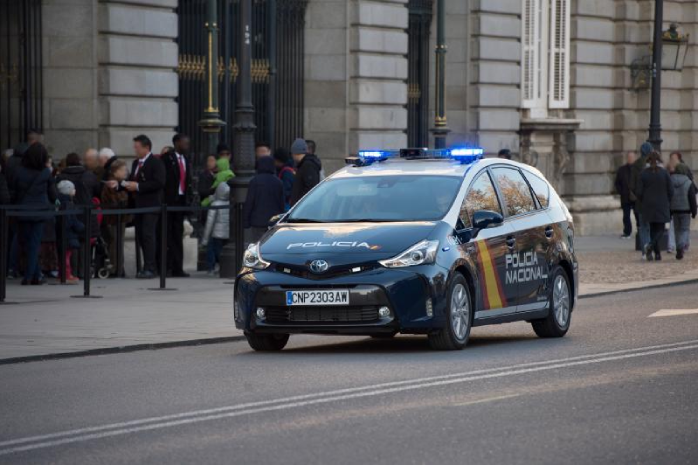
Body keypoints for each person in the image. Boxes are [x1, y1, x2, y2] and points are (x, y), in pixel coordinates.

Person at [117, 134, 165, 279]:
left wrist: (138, 186)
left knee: (148, 235)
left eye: (137, 147)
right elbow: (132, 181)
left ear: (146, 147)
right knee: (141, 236)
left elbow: (159, 182)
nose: (135, 150)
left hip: (151, 205)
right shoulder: (136, 163)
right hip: (139, 205)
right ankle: (147, 266)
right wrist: (120, 185)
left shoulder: (156, 163)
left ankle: (150, 267)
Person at [10, 143, 56, 285]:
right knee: (34, 244)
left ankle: (35, 275)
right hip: (40, 211)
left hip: (23, 210)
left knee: (27, 243)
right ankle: (31, 276)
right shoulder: (46, 172)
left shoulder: (19, 171)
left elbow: (14, 191)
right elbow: (53, 194)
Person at [162, 133, 192, 277]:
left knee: (177, 235)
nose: (187, 146)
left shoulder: (186, 159)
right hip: (168, 202)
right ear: (177, 143)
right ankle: (166, 267)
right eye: (185, 143)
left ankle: (177, 267)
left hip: (181, 200)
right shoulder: (167, 159)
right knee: (167, 235)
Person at [638, 151, 673, 261]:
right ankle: (651, 246)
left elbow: (638, 192)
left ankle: (657, 254)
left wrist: (644, 200)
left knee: (653, 229)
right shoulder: (664, 173)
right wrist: (667, 200)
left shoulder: (643, 173)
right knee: (661, 229)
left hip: (648, 205)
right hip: (662, 204)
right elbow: (671, 190)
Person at [56, 152, 100, 238]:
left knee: (69, 246)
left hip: (68, 217)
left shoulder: (61, 177)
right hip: (87, 216)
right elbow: (97, 193)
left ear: (67, 163)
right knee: (86, 245)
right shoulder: (90, 175)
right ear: (79, 161)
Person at [243, 156, 284, 244]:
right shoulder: (278, 182)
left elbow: (250, 202)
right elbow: (281, 203)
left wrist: (246, 220)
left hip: (258, 220)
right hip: (274, 221)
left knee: (258, 244)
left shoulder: (255, 181)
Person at [101, 159, 131, 277]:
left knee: (119, 243)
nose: (126, 172)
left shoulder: (121, 183)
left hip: (121, 218)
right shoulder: (111, 184)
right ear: (115, 172)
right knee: (114, 243)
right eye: (123, 170)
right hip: (112, 219)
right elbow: (116, 201)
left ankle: (119, 267)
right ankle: (115, 268)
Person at [56, 180, 85, 284]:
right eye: (73, 188)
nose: (75, 190)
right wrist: (80, 226)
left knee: (63, 255)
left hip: (63, 233)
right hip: (68, 234)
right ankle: (67, 275)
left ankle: (62, 274)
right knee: (66, 256)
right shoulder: (68, 203)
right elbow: (71, 220)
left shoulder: (59, 201)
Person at [630, 141, 654, 259]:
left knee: (643, 227)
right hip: (653, 202)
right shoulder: (654, 166)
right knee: (652, 226)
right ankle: (651, 248)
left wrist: (639, 196)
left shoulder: (635, 166)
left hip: (640, 202)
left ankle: (645, 250)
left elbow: (632, 185)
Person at [201, 182, 230, 275]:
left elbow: (210, 222)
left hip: (216, 233)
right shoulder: (230, 203)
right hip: (227, 233)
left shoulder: (215, 204)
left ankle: (211, 267)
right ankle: (221, 266)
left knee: (213, 250)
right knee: (222, 251)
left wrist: (205, 239)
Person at [670, 163, 696, 260]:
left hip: (674, 209)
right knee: (684, 229)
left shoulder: (671, 180)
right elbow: (692, 198)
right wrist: (694, 212)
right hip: (685, 209)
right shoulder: (688, 182)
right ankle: (681, 245)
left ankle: (678, 248)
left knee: (676, 230)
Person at [289, 138, 321, 206]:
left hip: (303, 208)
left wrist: (300, 203)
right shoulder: (304, 165)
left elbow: (310, 188)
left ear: (295, 153)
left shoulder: (307, 165)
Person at [614, 151, 638, 238]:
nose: (630, 159)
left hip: (636, 197)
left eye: (632, 157)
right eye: (629, 157)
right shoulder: (622, 169)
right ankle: (627, 232)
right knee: (626, 216)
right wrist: (621, 191)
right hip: (625, 197)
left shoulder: (637, 169)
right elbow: (617, 183)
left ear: (635, 158)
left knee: (637, 215)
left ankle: (639, 230)